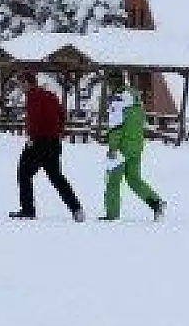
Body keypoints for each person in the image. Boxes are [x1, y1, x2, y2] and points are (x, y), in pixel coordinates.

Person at [10, 72, 85, 222]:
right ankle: (76, 209)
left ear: (26, 82)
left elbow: (34, 118)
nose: (20, 87)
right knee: (56, 177)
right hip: (54, 141)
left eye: (20, 83)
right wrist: (58, 132)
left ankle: (28, 210)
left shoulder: (33, 96)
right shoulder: (50, 95)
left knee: (24, 173)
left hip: (39, 141)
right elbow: (62, 114)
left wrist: (32, 137)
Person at [100, 71, 165, 222]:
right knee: (134, 179)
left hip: (122, 147)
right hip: (136, 145)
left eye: (108, 83)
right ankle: (156, 203)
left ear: (112, 83)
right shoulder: (135, 99)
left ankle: (112, 214)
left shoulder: (118, 101)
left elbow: (116, 127)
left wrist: (112, 147)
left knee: (112, 180)